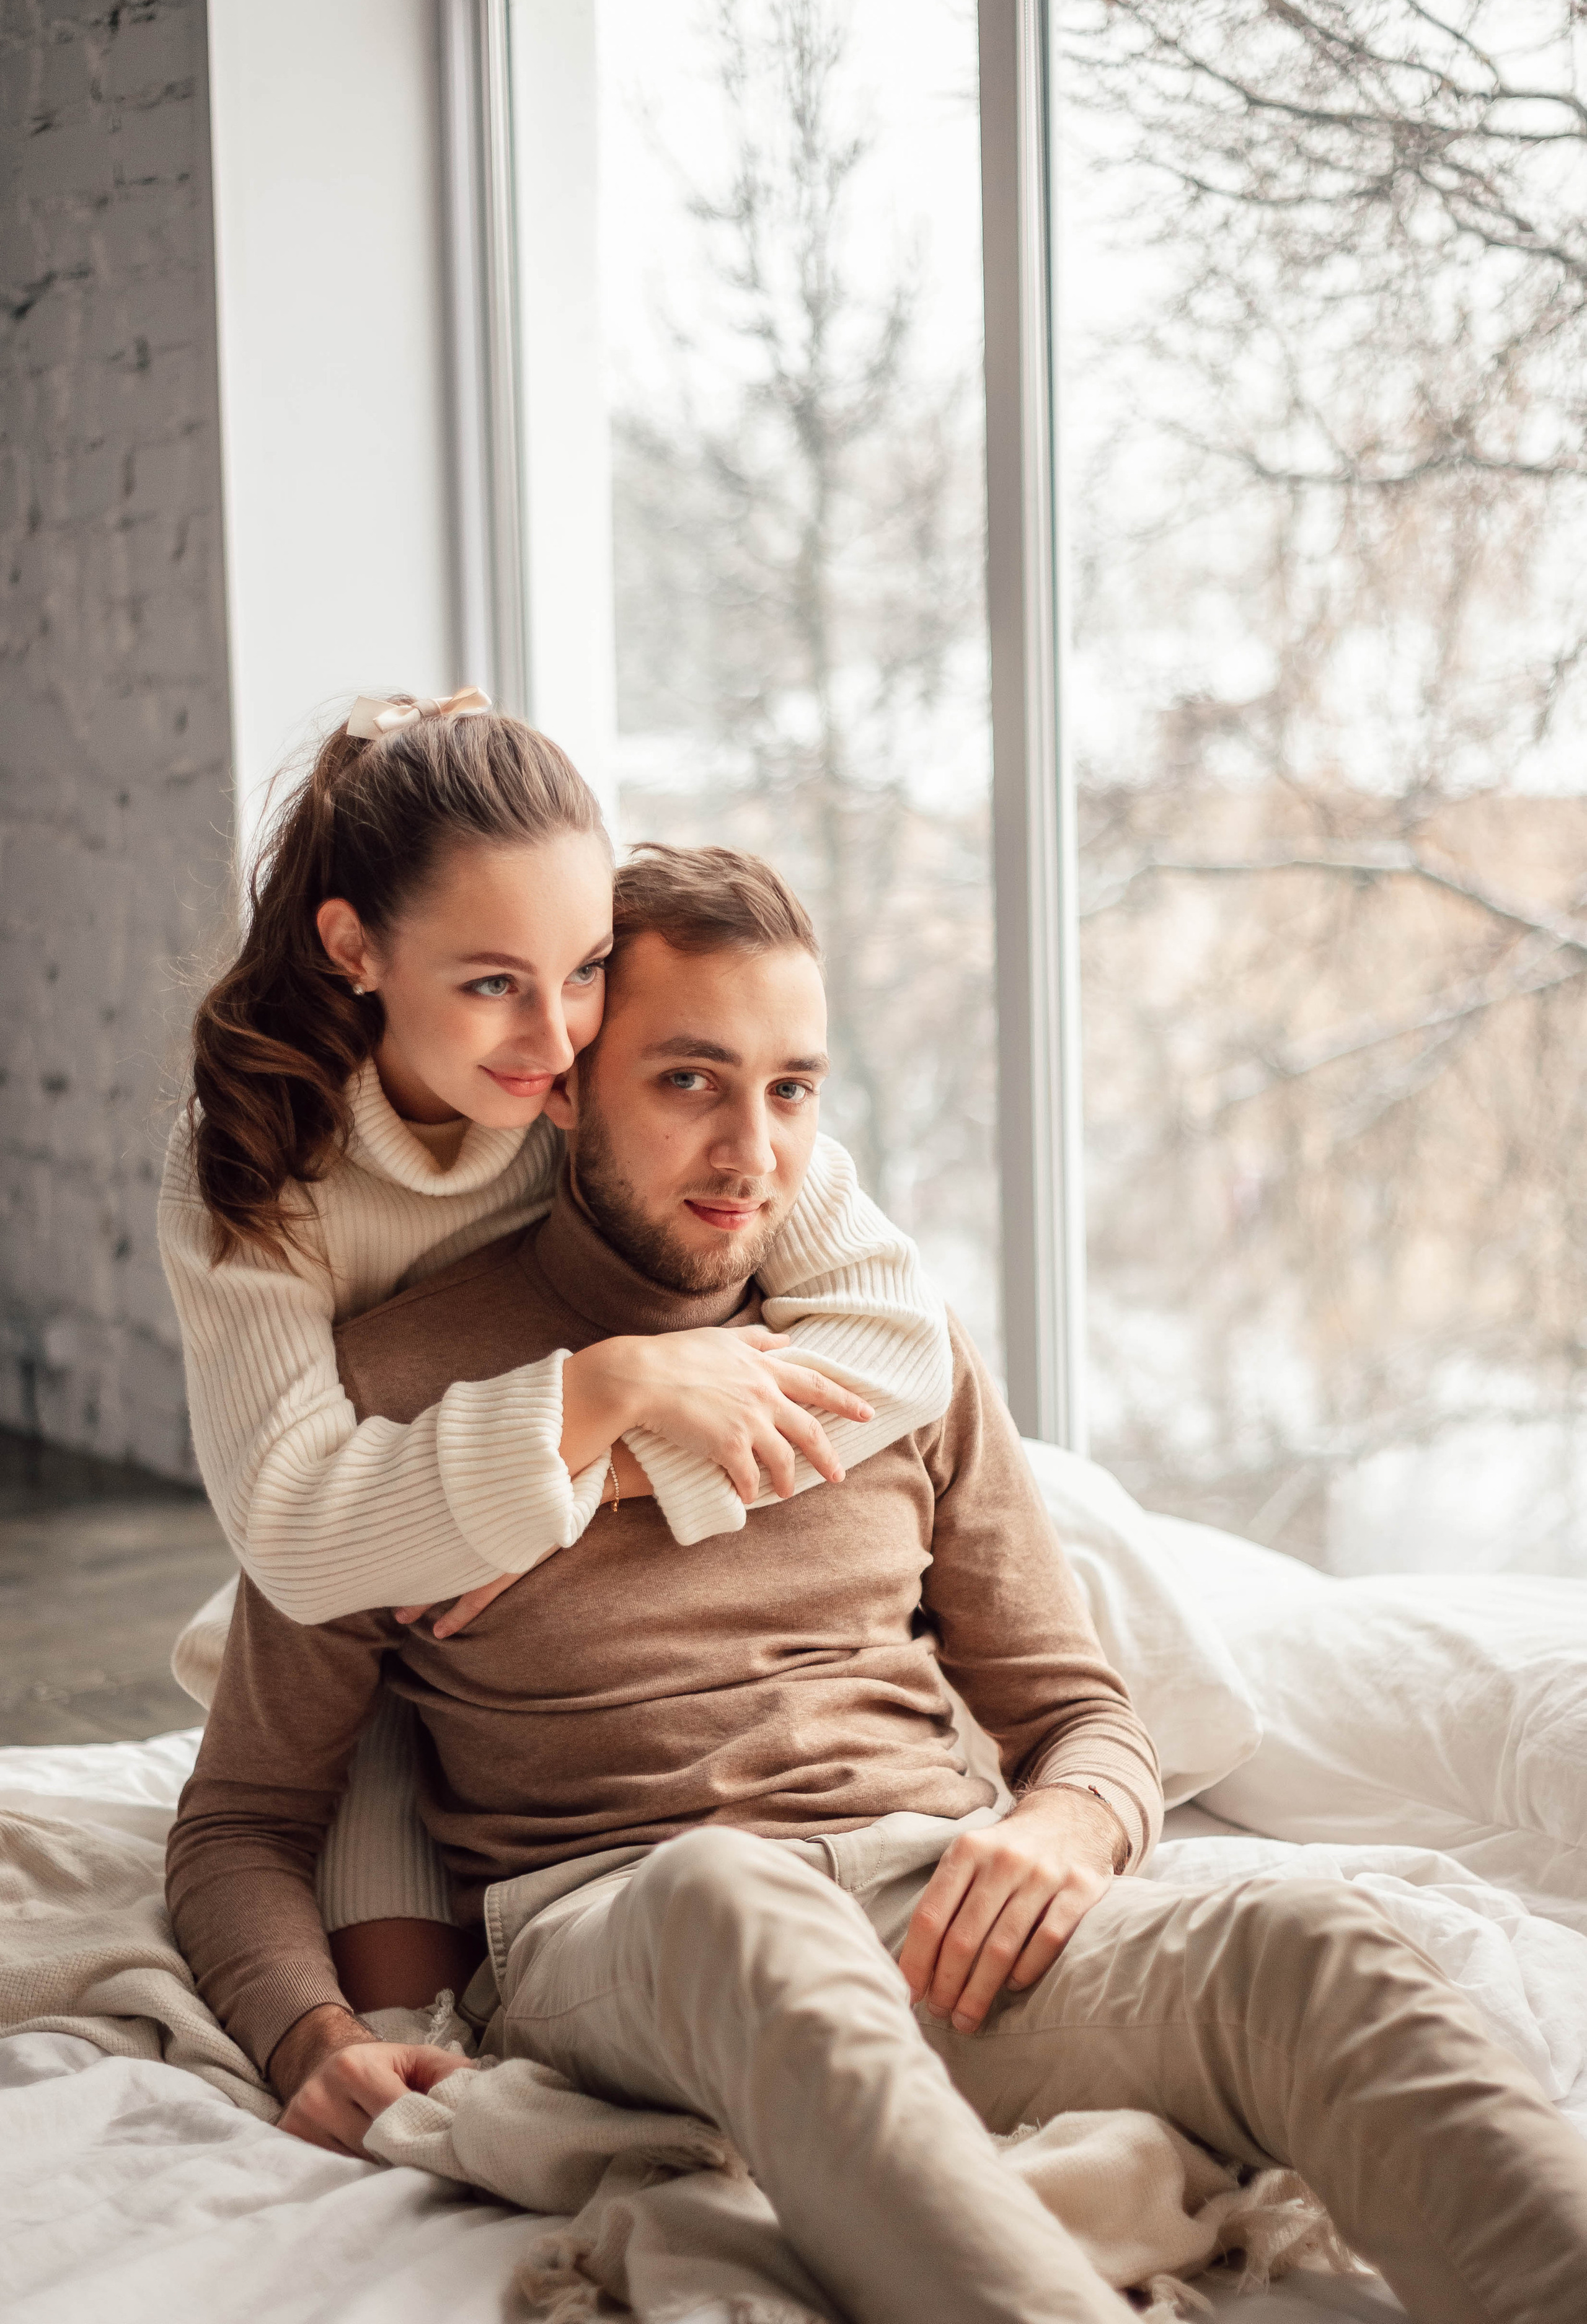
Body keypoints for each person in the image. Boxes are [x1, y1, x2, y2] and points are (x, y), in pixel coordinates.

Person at [167, 846, 1587, 2324]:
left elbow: (1079, 1714)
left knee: (1309, 1948)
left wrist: (1067, 1822)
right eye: (688, 1081)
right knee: (728, 1892)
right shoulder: (394, 1405)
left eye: (790, 1089)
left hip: (933, 1914)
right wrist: (309, 2033)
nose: (750, 1154)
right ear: (568, 1084)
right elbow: (243, 1818)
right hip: (635, 1925)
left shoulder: (890, 1353)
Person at [159, 692, 953, 2010]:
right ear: (355, 948)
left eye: (583, 968)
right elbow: (297, 1537)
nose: (552, 1041)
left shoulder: (605, 1076)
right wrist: (606, 1387)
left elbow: (903, 1339)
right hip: (369, 1575)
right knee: (384, 1911)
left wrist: (584, 1486)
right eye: (491, 985)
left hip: (518, 1557)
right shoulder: (254, 1163)